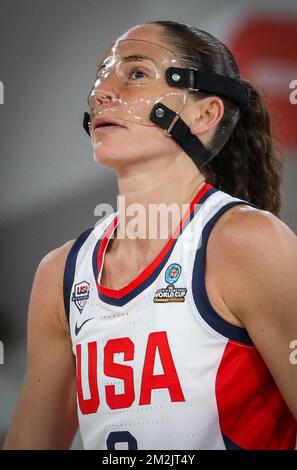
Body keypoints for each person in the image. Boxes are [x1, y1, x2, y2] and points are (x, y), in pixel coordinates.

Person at [3, 20, 297, 450]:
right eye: (102, 74)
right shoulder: (60, 273)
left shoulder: (246, 243)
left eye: (136, 73)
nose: (101, 92)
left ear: (204, 114)